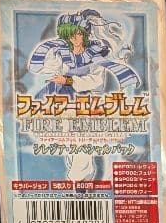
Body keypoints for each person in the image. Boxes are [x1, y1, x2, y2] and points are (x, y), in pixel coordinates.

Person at [28, 9, 141, 182]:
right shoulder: (61, 52)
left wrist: (68, 80)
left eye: (78, 33)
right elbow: (46, 68)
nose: (74, 38)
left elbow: (96, 81)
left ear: (85, 33)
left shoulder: (95, 54)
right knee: (67, 142)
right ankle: (79, 179)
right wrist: (55, 68)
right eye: (70, 34)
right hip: (59, 99)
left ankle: (81, 180)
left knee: (82, 141)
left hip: (84, 101)